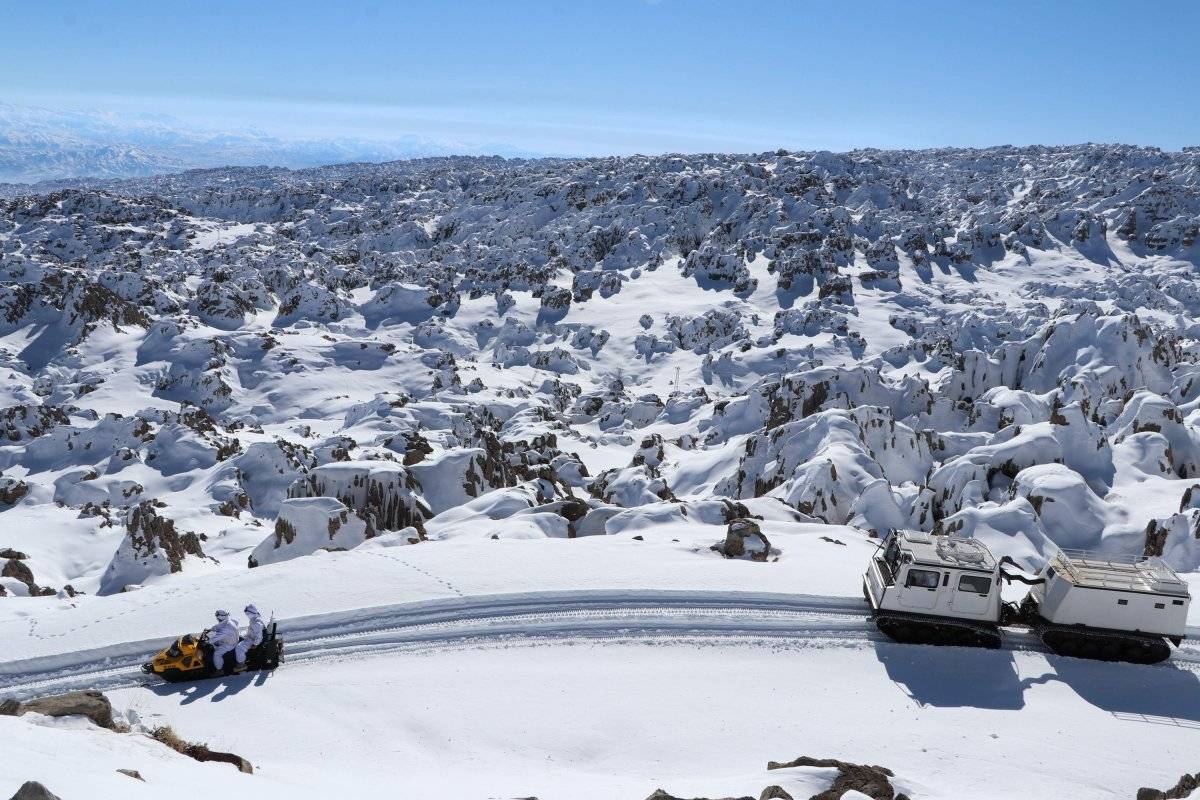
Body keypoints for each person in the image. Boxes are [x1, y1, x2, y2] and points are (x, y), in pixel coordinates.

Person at [233, 604, 266, 672]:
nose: (246, 615)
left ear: (250, 613)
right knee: (239, 638)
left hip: (253, 641)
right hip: (250, 638)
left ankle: (241, 665)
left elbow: (259, 636)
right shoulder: (254, 619)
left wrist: (255, 644)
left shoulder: (256, 622)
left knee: (239, 647)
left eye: (247, 613)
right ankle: (240, 658)